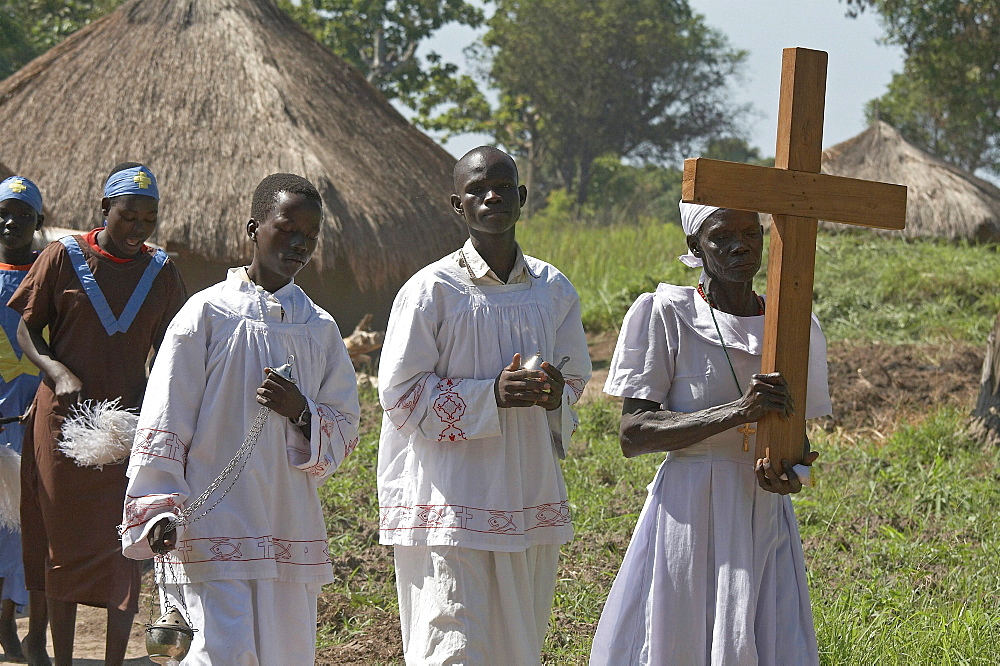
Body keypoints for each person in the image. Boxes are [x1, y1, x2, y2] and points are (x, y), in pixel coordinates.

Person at [120, 173, 361, 665]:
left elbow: (346, 426)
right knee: (219, 655)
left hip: (287, 525)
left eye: (310, 236)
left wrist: (302, 412)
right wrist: (159, 506)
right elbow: (167, 415)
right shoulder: (206, 314)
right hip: (212, 525)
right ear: (254, 227)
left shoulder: (320, 327)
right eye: (286, 228)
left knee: (287, 655)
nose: (299, 243)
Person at [588, 202, 832, 665]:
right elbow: (634, 432)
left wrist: (794, 471)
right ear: (694, 246)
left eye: (751, 233)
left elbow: (797, 441)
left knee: (763, 634)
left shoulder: (795, 325)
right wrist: (738, 412)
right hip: (690, 505)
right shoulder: (666, 313)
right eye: (722, 237)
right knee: (683, 634)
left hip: (761, 509)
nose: (741, 245)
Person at [378, 146, 592, 664]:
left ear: (521, 198)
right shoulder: (432, 289)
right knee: (450, 644)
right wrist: (489, 395)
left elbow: (576, 380)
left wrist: (552, 392)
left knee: (517, 643)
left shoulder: (552, 288)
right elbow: (399, 395)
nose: (490, 196)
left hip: (526, 491)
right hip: (449, 503)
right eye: (476, 189)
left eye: (502, 187)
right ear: (458, 205)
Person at [9, 163, 187, 666]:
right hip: (63, 424)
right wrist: (55, 370)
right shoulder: (62, 257)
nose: (137, 228)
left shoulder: (162, 272)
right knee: (62, 543)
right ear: (105, 209)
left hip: (126, 427)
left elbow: (177, 347)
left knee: (123, 543)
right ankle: (62, 659)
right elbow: (27, 329)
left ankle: (113, 660)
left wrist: (161, 397)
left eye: (148, 219)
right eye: (128, 215)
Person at [0, 176, 46, 664]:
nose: (11, 222)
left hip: (38, 422)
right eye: (3, 212)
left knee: (32, 528)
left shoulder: (52, 277)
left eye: (21, 213)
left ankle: (28, 632)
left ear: (38, 218)